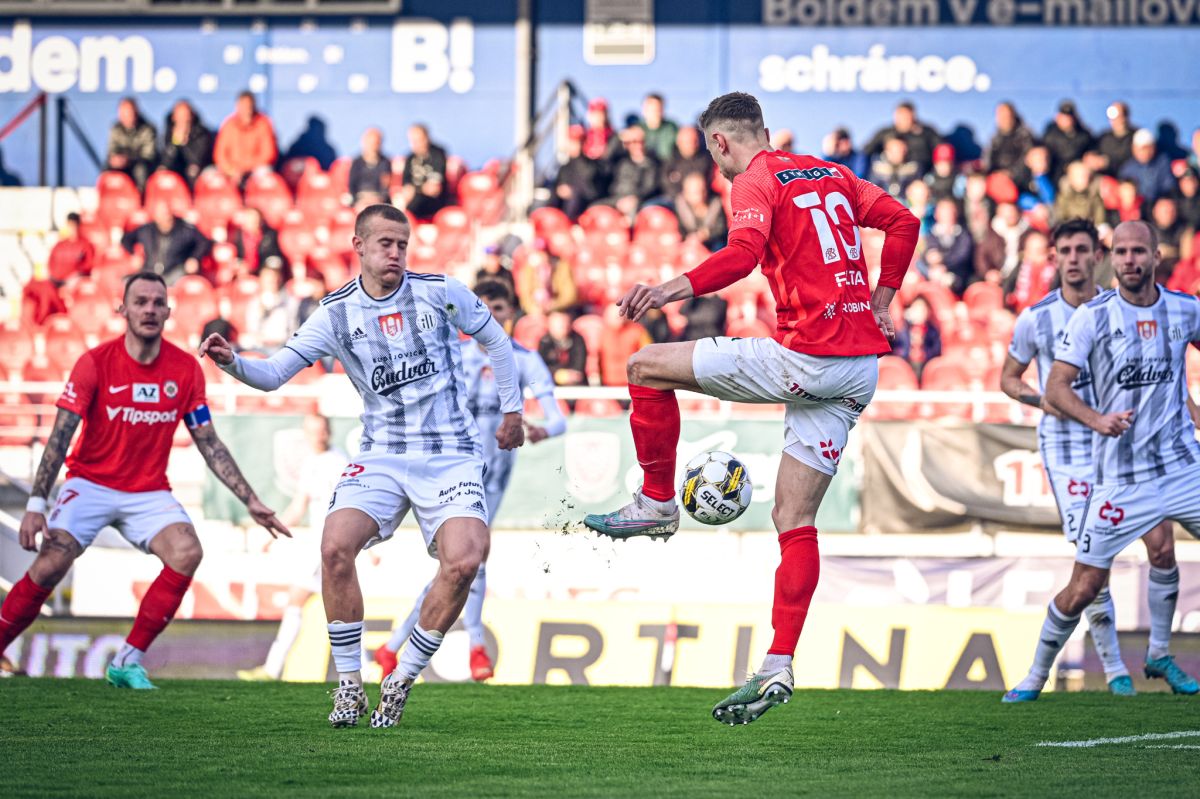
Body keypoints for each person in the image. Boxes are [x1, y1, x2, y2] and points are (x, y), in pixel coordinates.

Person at [583, 92, 918, 724]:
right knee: (793, 516)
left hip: (807, 358)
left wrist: (667, 290)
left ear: (719, 143)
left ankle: (656, 501)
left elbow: (741, 255)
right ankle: (778, 663)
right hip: (859, 369)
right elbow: (903, 221)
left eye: (713, 153)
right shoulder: (830, 172)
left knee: (644, 366)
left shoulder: (754, 180)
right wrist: (883, 299)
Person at [198, 203, 525, 728]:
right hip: (382, 453)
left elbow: (497, 342)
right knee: (334, 547)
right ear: (359, 246)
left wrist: (512, 411)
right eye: (385, 243)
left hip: (450, 453)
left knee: (466, 560)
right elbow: (275, 374)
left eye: (402, 244)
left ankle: (401, 678)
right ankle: (349, 686)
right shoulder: (335, 313)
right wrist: (232, 362)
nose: (395, 253)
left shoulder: (441, 292)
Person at [0, 273, 288, 689]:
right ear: (123, 309)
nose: (150, 309)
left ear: (169, 311)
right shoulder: (95, 362)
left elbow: (208, 441)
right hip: (90, 483)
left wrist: (251, 500)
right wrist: (35, 505)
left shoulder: (185, 369)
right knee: (51, 563)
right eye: (141, 301)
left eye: (157, 302)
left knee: (187, 552)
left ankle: (126, 661)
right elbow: (60, 436)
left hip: (148, 491)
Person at [1003, 220, 1200, 702]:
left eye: (1139, 252)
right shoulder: (1084, 317)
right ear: (1111, 258)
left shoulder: (1185, 309)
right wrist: (1096, 420)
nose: (1130, 260)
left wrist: (1193, 407)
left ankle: (1156, 655)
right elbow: (1050, 386)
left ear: (1156, 256)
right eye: (1123, 252)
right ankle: (1040, 674)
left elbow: (1170, 377)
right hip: (1107, 468)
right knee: (1086, 583)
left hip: (1181, 467)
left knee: (1162, 551)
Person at [375, 280, 565, 681]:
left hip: (494, 473)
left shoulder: (524, 360)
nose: (492, 316)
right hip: (453, 467)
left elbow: (558, 419)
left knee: (463, 562)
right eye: (485, 308)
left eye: (500, 308)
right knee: (466, 560)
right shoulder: (454, 355)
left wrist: (542, 430)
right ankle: (472, 647)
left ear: (511, 313)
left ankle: (395, 646)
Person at [238, 413, 348, 681]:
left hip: (332, 544)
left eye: (320, 430)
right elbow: (299, 506)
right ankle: (366, 670)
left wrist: (368, 546)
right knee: (341, 606)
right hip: (322, 545)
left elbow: (350, 507)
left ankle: (271, 669)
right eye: (311, 431)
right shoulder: (311, 463)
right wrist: (273, 533)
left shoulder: (339, 462)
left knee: (306, 601)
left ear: (329, 432)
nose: (317, 436)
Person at [121, 202, 212, 284]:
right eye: (162, 214)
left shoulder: (184, 229)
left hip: (175, 273)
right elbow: (126, 239)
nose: (165, 218)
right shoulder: (146, 230)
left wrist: (194, 258)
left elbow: (204, 242)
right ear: (155, 216)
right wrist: (134, 254)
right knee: (127, 282)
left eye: (167, 214)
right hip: (150, 271)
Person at [213, 91, 278, 185]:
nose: (247, 110)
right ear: (237, 107)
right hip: (232, 171)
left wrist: (245, 168)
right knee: (214, 178)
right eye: (243, 106)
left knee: (264, 174)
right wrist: (231, 170)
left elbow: (268, 154)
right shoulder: (229, 124)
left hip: (254, 169)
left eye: (249, 107)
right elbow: (220, 155)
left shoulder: (263, 123)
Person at [864, 101, 939, 174]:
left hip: (922, 175)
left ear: (913, 116)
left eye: (905, 116)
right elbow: (866, 151)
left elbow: (941, 150)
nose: (902, 119)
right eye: (899, 116)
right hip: (891, 175)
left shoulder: (926, 133)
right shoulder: (885, 133)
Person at [606, 126, 663, 221]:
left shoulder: (652, 164)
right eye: (633, 142)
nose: (638, 145)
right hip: (617, 199)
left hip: (639, 201)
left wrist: (635, 198)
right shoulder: (621, 162)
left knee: (632, 210)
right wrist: (619, 136)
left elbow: (650, 188)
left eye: (641, 141)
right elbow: (606, 158)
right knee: (595, 207)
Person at [399, 124, 450, 220]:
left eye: (419, 140)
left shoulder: (438, 154)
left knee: (416, 202)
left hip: (433, 202)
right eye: (413, 141)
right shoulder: (410, 158)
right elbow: (406, 187)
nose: (416, 144)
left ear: (427, 138)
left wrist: (415, 190)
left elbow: (434, 189)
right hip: (412, 200)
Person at [106, 97, 158, 190]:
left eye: (129, 113)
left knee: (140, 169)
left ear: (136, 112)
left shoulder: (147, 129)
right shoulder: (116, 128)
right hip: (122, 164)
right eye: (123, 114)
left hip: (141, 163)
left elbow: (149, 155)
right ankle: (109, 194)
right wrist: (115, 159)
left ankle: (140, 196)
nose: (126, 117)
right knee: (107, 166)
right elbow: (112, 150)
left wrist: (128, 160)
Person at [552, 125, 601, 220]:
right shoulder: (565, 167)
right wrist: (560, 190)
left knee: (575, 197)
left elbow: (591, 191)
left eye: (576, 142)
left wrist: (572, 191)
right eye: (571, 142)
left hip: (584, 207)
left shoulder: (592, 166)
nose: (572, 145)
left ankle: (568, 222)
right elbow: (558, 186)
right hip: (564, 206)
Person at [160, 100, 214, 187]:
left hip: (198, 168)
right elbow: (166, 161)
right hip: (178, 169)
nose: (183, 119)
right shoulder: (168, 133)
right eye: (180, 115)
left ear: (191, 116)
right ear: (173, 117)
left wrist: (185, 141)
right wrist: (176, 141)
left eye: (185, 115)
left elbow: (197, 160)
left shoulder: (201, 133)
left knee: (192, 171)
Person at [1117, 129, 1177, 205]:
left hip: (1157, 206)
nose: (1144, 152)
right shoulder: (1127, 168)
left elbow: (1169, 188)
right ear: (1133, 148)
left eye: (1147, 148)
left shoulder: (1162, 162)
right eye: (1140, 149)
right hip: (1136, 207)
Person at [675, 171, 728, 251]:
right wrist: (690, 238)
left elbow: (721, 229)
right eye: (695, 192)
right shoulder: (681, 206)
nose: (699, 196)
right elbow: (680, 230)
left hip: (714, 242)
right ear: (685, 193)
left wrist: (707, 234)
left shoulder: (715, 204)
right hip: (691, 245)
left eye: (702, 190)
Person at [1042, 100, 1094, 183]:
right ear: (1057, 117)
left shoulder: (1083, 134)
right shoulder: (1050, 132)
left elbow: (1090, 152)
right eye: (1064, 117)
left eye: (1069, 117)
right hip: (1053, 171)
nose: (1066, 120)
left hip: (1075, 173)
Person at [538, 310, 589, 387]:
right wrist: (558, 375)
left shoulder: (578, 340)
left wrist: (569, 375)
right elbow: (540, 367)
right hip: (550, 383)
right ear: (550, 325)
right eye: (558, 325)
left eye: (565, 323)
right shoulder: (544, 341)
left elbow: (579, 366)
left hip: (575, 385)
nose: (563, 327)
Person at [661, 126, 713, 201]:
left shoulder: (706, 159)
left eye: (694, 141)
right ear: (678, 142)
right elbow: (666, 182)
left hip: (702, 198)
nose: (691, 145)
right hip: (676, 199)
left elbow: (706, 182)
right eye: (687, 142)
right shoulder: (670, 160)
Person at [985, 101, 1035, 177]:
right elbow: (987, 160)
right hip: (996, 177)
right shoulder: (994, 139)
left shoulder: (1025, 135)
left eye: (1006, 116)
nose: (1004, 119)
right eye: (1001, 116)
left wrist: (1011, 173)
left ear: (1013, 116)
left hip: (1019, 179)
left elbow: (1027, 160)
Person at [348, 127, 392, 206]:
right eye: (370, 143)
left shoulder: (385, 163)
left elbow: (385, 186)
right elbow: (352, 186)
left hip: (377, 199)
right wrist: (358, 199)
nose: (373, 146)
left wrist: (379, 198)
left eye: (376, 143)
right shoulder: (357, 163)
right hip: (360, 199)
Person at [47, 212, 95, 284]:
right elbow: (51, 262)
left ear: (78, 226)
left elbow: (89, 265)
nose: (71, 228)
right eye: (69, 225)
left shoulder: (85, 244)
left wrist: (78, 275)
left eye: (73, 225)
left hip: (74, 284)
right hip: (55, 282)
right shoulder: (59, 245)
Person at [1096, 102, 1136, 175]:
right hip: (1106, 177)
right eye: (1115, 117)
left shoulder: (1137, 136)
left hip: (1129, 177)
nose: (1120, 119)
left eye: (1122, 115)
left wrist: (1108, 162)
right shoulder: (1104, 137)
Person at [639, 92, 680, 163]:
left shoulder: (671, 128)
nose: (656, 113)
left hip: (667, 165)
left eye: (659, 109)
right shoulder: (637, 130)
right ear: (644, 110)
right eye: (652, 110)